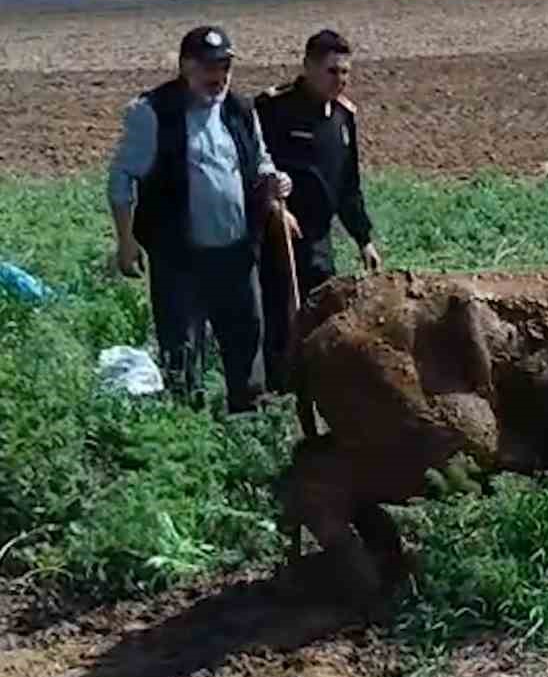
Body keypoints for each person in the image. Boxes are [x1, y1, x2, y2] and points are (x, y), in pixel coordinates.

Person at [107, 25, 292, 414]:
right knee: (183, 347)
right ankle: (187, 429)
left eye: (225, 66)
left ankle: (248, 417)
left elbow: (259, 162)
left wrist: (274, 179)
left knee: (245, 338)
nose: (218, 76)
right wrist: (126, 241)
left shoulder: (240, 110)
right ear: (185, 66)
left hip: (237, 252)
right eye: (209, 66)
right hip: (180, 257)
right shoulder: (153, 112)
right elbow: (122, 176)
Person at [254, 28, 380, 392]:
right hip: (276, 235)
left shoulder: (343, 118)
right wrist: (272, 206)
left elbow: (347, 186)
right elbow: (250, 168)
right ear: (307, 66)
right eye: (332, 71)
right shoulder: (273, 109)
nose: (340, 80)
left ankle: (318, 394)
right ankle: (278, 396)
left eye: (345, 72)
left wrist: (364, 239)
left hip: (319, 239)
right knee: (280, 323)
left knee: (321, 319)